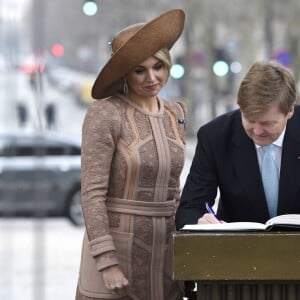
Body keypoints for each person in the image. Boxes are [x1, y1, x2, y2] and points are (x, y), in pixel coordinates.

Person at [76, 9, 187, 300]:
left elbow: (175, 192)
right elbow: (91, 193)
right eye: (140, 70)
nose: (152, 77)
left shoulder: (176, 113)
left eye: (158, 66)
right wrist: (106, 261)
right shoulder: (106, 113)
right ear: (125, 72)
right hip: (116, 254)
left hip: (165, 255)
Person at [175, 60, 300, 230]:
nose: (257, 131)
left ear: (290, 111)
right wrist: (200, 221)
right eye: (250, 120)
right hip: (237, 249)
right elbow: (190, 208)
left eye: (267, 123)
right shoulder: (215, 137)